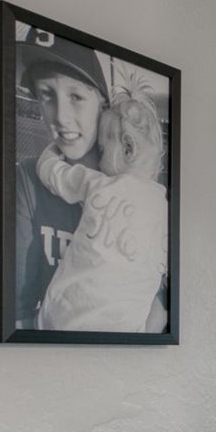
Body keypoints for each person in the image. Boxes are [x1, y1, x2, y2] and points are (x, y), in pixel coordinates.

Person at [34, 94, 169, 332]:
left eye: (103, 150)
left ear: (127, 148)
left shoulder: (100, 185)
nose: (100, 160)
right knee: (157, 315)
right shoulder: (164, 208)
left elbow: (52, 173)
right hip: (127, 327)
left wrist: (56, 148)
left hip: (64, 319)